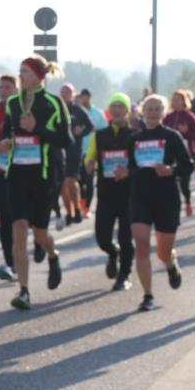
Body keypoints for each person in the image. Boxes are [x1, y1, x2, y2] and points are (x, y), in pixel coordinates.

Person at [0, 54, 73, 310]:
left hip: (43, 177)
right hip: (16, 174)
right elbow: (7, 133)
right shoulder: (12, 104)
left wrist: (37, 128)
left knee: (40, 234)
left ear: (39, 76)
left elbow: (66, 140)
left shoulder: (53, 103)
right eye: (19, 72)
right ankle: (24, 291)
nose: (20, 76)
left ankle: (52, 254)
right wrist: (5, 143)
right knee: (19, 228)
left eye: (25, 72)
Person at [125, 95, 193, 311]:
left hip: (166, 198)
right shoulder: (134, 140)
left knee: (163, 251)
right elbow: (129, 166)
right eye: (149, 109)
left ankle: (171, 264)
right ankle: (148, 295)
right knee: (141, 244)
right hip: (140, 197)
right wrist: (125, 172)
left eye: (157, 109)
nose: (153, 112)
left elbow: (188, 165)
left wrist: (171, 170)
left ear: (163, 113)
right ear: (142, 113)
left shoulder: (172, 137)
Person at [84, 94, 135, 292]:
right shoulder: (100, 135)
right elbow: (90, 156)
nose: (116, 110)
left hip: (128, 192)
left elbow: (140, 162)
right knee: (102, 237)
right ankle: (113, 253)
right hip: (105, 192)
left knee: (125, 236)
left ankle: (124, 275)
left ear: (127, 111)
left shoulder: (134, 134)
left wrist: (128, 171)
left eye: (121, 106)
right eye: (113, 106)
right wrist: (88, 164)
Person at [0, 75, 19, 282]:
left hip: (21, 172)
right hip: (0, 173)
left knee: (21, 219)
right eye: (1, 87)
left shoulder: (20, 112)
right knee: (5, 220)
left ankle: (37, 245)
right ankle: (11, 263)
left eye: (8, 87)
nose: (3, 91)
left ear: (16, 89)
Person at [163, 89, 195, 217]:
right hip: (170, 154)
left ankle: (188, 201)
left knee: (184, 183)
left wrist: (186, 132)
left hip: (186, 153)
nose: (175, 102)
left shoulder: (190, 116)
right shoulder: (168, 117)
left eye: (178, 100)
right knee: (170, 181)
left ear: (184, 101)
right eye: (174, 100)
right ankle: (171, 207)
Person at [60, 83, 94, 226]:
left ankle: (78, 208)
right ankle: (69, 212)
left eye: (68, 92)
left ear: (73, 94)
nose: (65, 94)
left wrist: (81, 131)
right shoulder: (57, 109)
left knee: (70, 181)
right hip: (60, 150)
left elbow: (90, 126)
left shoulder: (78, 110)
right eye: (63, 91)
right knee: (62, 184)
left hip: (74, 149)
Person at [78, 88, 107, 217]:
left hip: (92, 152)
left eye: (86, 96)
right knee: (78, 182)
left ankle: (86, 208)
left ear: (89, 97)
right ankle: (81, 206)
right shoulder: (76, 112)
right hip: (78, 151)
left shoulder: (98, 113)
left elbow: (105, 130)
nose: (84, 99)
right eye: (81, 96)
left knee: (88, 182)